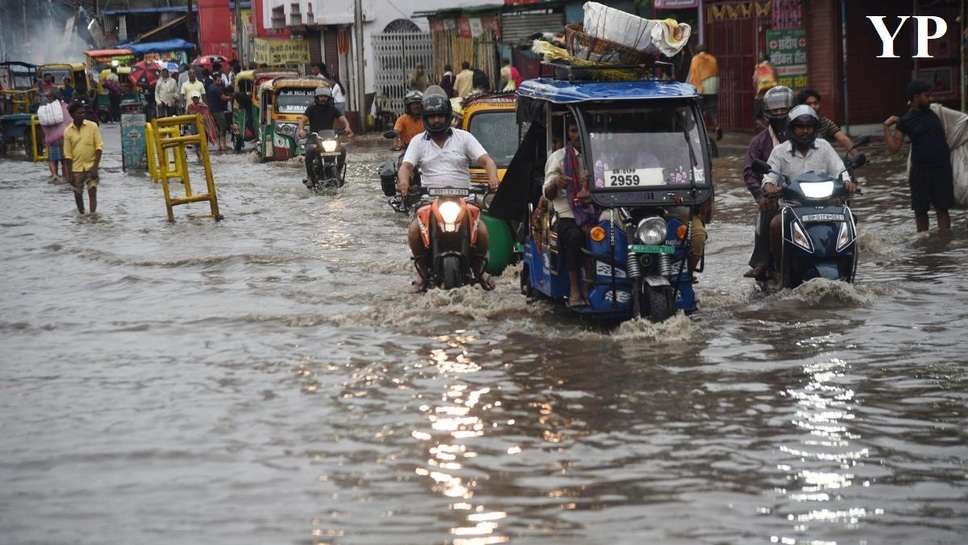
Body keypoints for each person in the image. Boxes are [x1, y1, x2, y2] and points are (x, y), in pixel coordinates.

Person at [397, 88, 500, 291]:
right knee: (414, 231)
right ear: (426, 118)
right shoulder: (418, 141)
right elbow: (406, 166)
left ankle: (479, 269)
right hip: (428, 199)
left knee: (481, 230)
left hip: (464, 196)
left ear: (448, 117)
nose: (436, 120)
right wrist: (404, 182)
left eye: (440, 116)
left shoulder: (464, 138)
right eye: (432, 116)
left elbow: (486, 160)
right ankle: (423, 272)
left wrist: (493, 177)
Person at [762, 105, 855, 262]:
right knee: (776, 225)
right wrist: (770, 187)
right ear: (791, 128)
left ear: (815, 129)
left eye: (809, 127)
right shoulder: (779, 151)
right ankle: (778, 266)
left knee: (850, 220)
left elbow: (840, 171)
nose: (805, 131)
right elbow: (769, 177)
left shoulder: (824, 147)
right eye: (800, 127)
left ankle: (847, 262)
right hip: (791, 207)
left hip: (826, 205)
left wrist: (847, 182)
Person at [883, 80, 954, 233]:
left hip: (942, 169)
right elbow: (894, 148)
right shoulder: (906, 121)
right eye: (926, 96)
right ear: (915, 97)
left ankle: (944, 241)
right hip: (920, 172)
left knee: (943, 208)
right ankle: (923, 244)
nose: (930, 99)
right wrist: (886, 128)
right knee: (920, 210)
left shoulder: (936, 112)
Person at [743, 85, 793, 279]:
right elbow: (749, 171)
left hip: (804, 192)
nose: (780, 114)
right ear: (767, 114)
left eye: (783, 110)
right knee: (767, 209)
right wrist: (760, 194)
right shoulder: (759, 142)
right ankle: (762, 260)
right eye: (775, 111)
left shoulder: (810, 139)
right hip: (774, 195)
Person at [543, 119, 593, 306]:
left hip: (597, 212)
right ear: (568, 134)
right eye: (574, 130)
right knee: (575, 237)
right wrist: (556, 182)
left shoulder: (598, 154)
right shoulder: (559, 158)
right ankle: (575, 288)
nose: (578, 134)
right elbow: (547, 193)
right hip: (568, 214)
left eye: (582, 129)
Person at [297, 86, 354, 182]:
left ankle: (338, 173)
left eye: (325, 97)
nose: (323, 99)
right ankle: (310, 177)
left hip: (329, 138)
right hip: (314, 138)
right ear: (317, 97)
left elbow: (342, 119)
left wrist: (347, 127)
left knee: (342, 150)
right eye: (321, 96)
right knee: (310, 151)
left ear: (329, 98)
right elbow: (302, 120)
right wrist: (301, 130)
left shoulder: (332, 109)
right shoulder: (311, 109)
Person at [63, 101, 104, 214]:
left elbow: (99, 148)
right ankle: (81, 215)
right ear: (72, 115)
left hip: (91, 166)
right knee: (78, 194)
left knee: (92, 191)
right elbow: (67, 155)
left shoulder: (93, 126)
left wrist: (95, 167)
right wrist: (69, 174)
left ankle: (92, 216)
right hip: (76, 169)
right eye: (79, 113)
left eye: (83, 112)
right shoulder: (67, 131)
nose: (82, 115)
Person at [796, 88, 855, 153]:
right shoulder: (794, 123)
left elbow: (843, 139)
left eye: (815, 103)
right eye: (809, 104)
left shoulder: (825, 122)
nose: (813, 106)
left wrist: (856, 154)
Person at [687, 44, 721, 141]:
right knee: (712, 110)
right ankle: (717, 125)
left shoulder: (695, 59)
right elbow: (717, 73)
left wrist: (691, 86)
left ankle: (701, 130)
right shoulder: (713, 59)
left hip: (701, 87)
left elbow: (693, 74)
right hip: (712, 87)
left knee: (699, 110)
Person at [40, 90, 72, 182]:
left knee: (52, 160)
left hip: (51, 139)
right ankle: (66, 177)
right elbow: (70, 122)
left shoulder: (45, 108)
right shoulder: (65, 107)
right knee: (64, 160)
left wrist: (45, 137)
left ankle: (54, 176)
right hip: (64, 137)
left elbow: (43, 124)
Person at [186, 92, 219, 159]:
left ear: (199, 98)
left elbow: (207, 116)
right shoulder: (190, 107)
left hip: (204, 126)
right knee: (196, 142)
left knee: (204, 141)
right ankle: (199, 156)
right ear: (192, 99)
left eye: (196, 98)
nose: (195, 99)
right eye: (194, 98)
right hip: (194, 126)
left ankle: (204, 156)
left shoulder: (204, 106)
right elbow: (187, 115)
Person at [205, 77, 230, 151]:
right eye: (218, 80)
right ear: (214, 80)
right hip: (218, 110)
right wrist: (231, 97)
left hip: (212, 109)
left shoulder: (210, 88)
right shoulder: (217, 89)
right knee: (223, 126)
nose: (220, 82)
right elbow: (223, 98)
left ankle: (219, 145)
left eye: (220, 80)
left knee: (217, 127)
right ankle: (223, 145)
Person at [752, 54, 777, 125]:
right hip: (772, 96)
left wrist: (758, 89)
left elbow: (754, 81)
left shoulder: (759, 68)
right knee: (772, 115)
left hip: (761, 95)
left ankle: (764, 129)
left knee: (758, 118)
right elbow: (776, 80)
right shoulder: (772, 68)